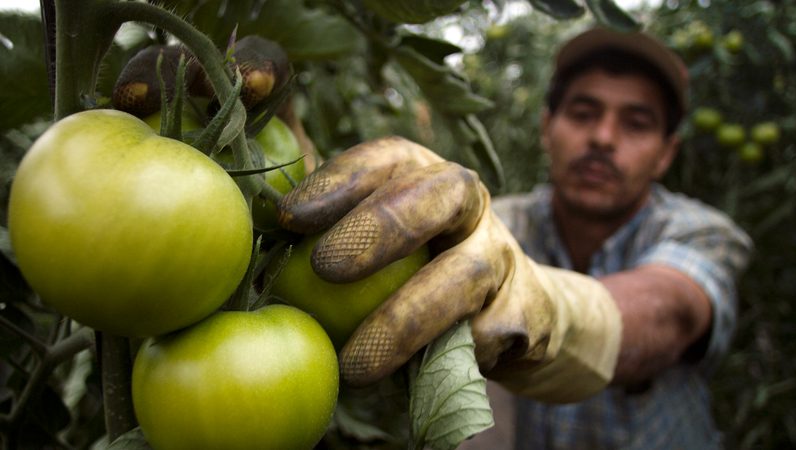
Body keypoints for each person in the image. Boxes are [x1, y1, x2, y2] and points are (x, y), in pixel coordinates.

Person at [275, 26, 752, 450]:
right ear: (548, 128)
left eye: (636, 123)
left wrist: (559, 316)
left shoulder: (702, 232)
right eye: (584, 113)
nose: (604, 137)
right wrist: (277, 153)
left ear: (667, 153)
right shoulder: (487, 227)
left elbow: (669, 313)